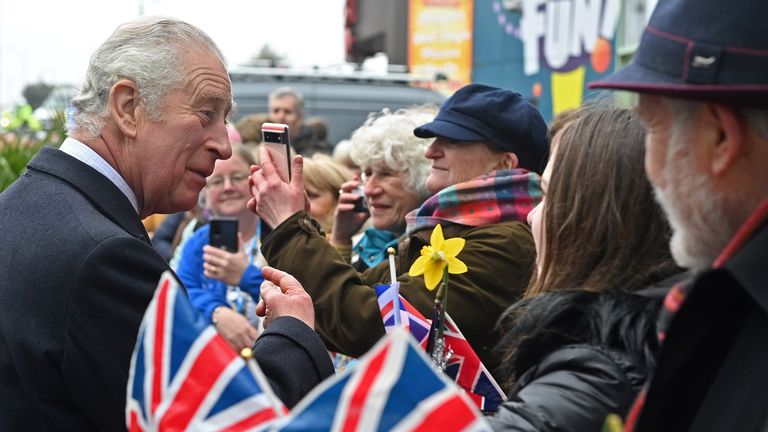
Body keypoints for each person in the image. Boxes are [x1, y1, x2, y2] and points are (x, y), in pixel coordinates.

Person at [0, 17, 331, 431]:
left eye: (224, 118)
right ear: (127, 108)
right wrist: (292, 331)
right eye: (206, 113)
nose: (224, 144)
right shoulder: (105, 259)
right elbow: (229, 421)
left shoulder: (22, 207)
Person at [248, 83, 547, 374]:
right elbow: (342, 309)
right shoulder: (450, 229)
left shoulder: (506, 242)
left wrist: (289, 226)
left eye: (453, 141)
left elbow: (367, 323)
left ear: (503, 164)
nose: (431, 153)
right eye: (433, 140)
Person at [589, 0, 768, 429]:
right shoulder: (729, 301)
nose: (647, 164)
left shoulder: (736, 308)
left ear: (720, 136)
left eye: (652, 128)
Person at [487, 104, 680, 431]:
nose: (532, 216)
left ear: (593, 221)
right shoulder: (649, 340)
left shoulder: (595, 374)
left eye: (547, 196)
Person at [176, 144, 266, 352]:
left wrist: (246, 276)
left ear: (254, 180)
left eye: (236, 177)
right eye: (217, 181)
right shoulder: (199, 242)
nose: (228, 187)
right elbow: (180, 291)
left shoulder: (276, 235)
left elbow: (295, 297)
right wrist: (216, 312)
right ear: (204, 194)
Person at [331, 107, 434, 271]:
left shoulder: (435, 252)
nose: (369, 190)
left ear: (425, 176)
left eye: (386, 174)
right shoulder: (370, 243)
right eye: (367, 173)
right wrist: (340, 239)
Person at [268, 86, 333, 156]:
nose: (280, 117)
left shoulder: (317, 150)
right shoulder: (262, 145)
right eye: (276, 111)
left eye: (287, 112)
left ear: (300, 116)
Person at [301, 153, 353, 234]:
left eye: (311, 195)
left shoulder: (360, 242)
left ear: (340, 199)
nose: (301, 204)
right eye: (298, 195)